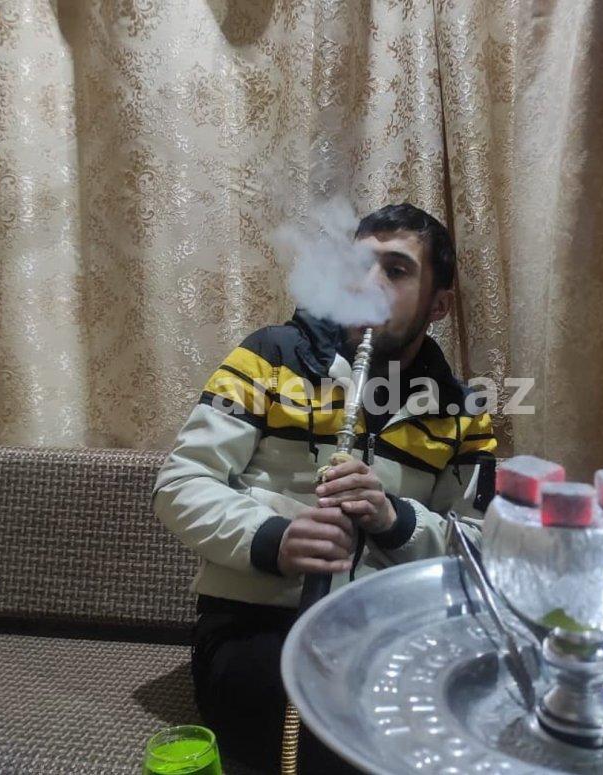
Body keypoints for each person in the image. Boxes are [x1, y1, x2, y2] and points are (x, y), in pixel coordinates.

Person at [152, 203, 498, 774]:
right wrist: (274, 538)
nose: (367, 285)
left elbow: (479, 547)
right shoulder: (268, 358)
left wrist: (396, 520)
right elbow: (180, 483)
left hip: (389, 632)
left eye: (395, 270)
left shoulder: (464, 410)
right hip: (259, 624)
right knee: (308, 714)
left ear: (438, 305)